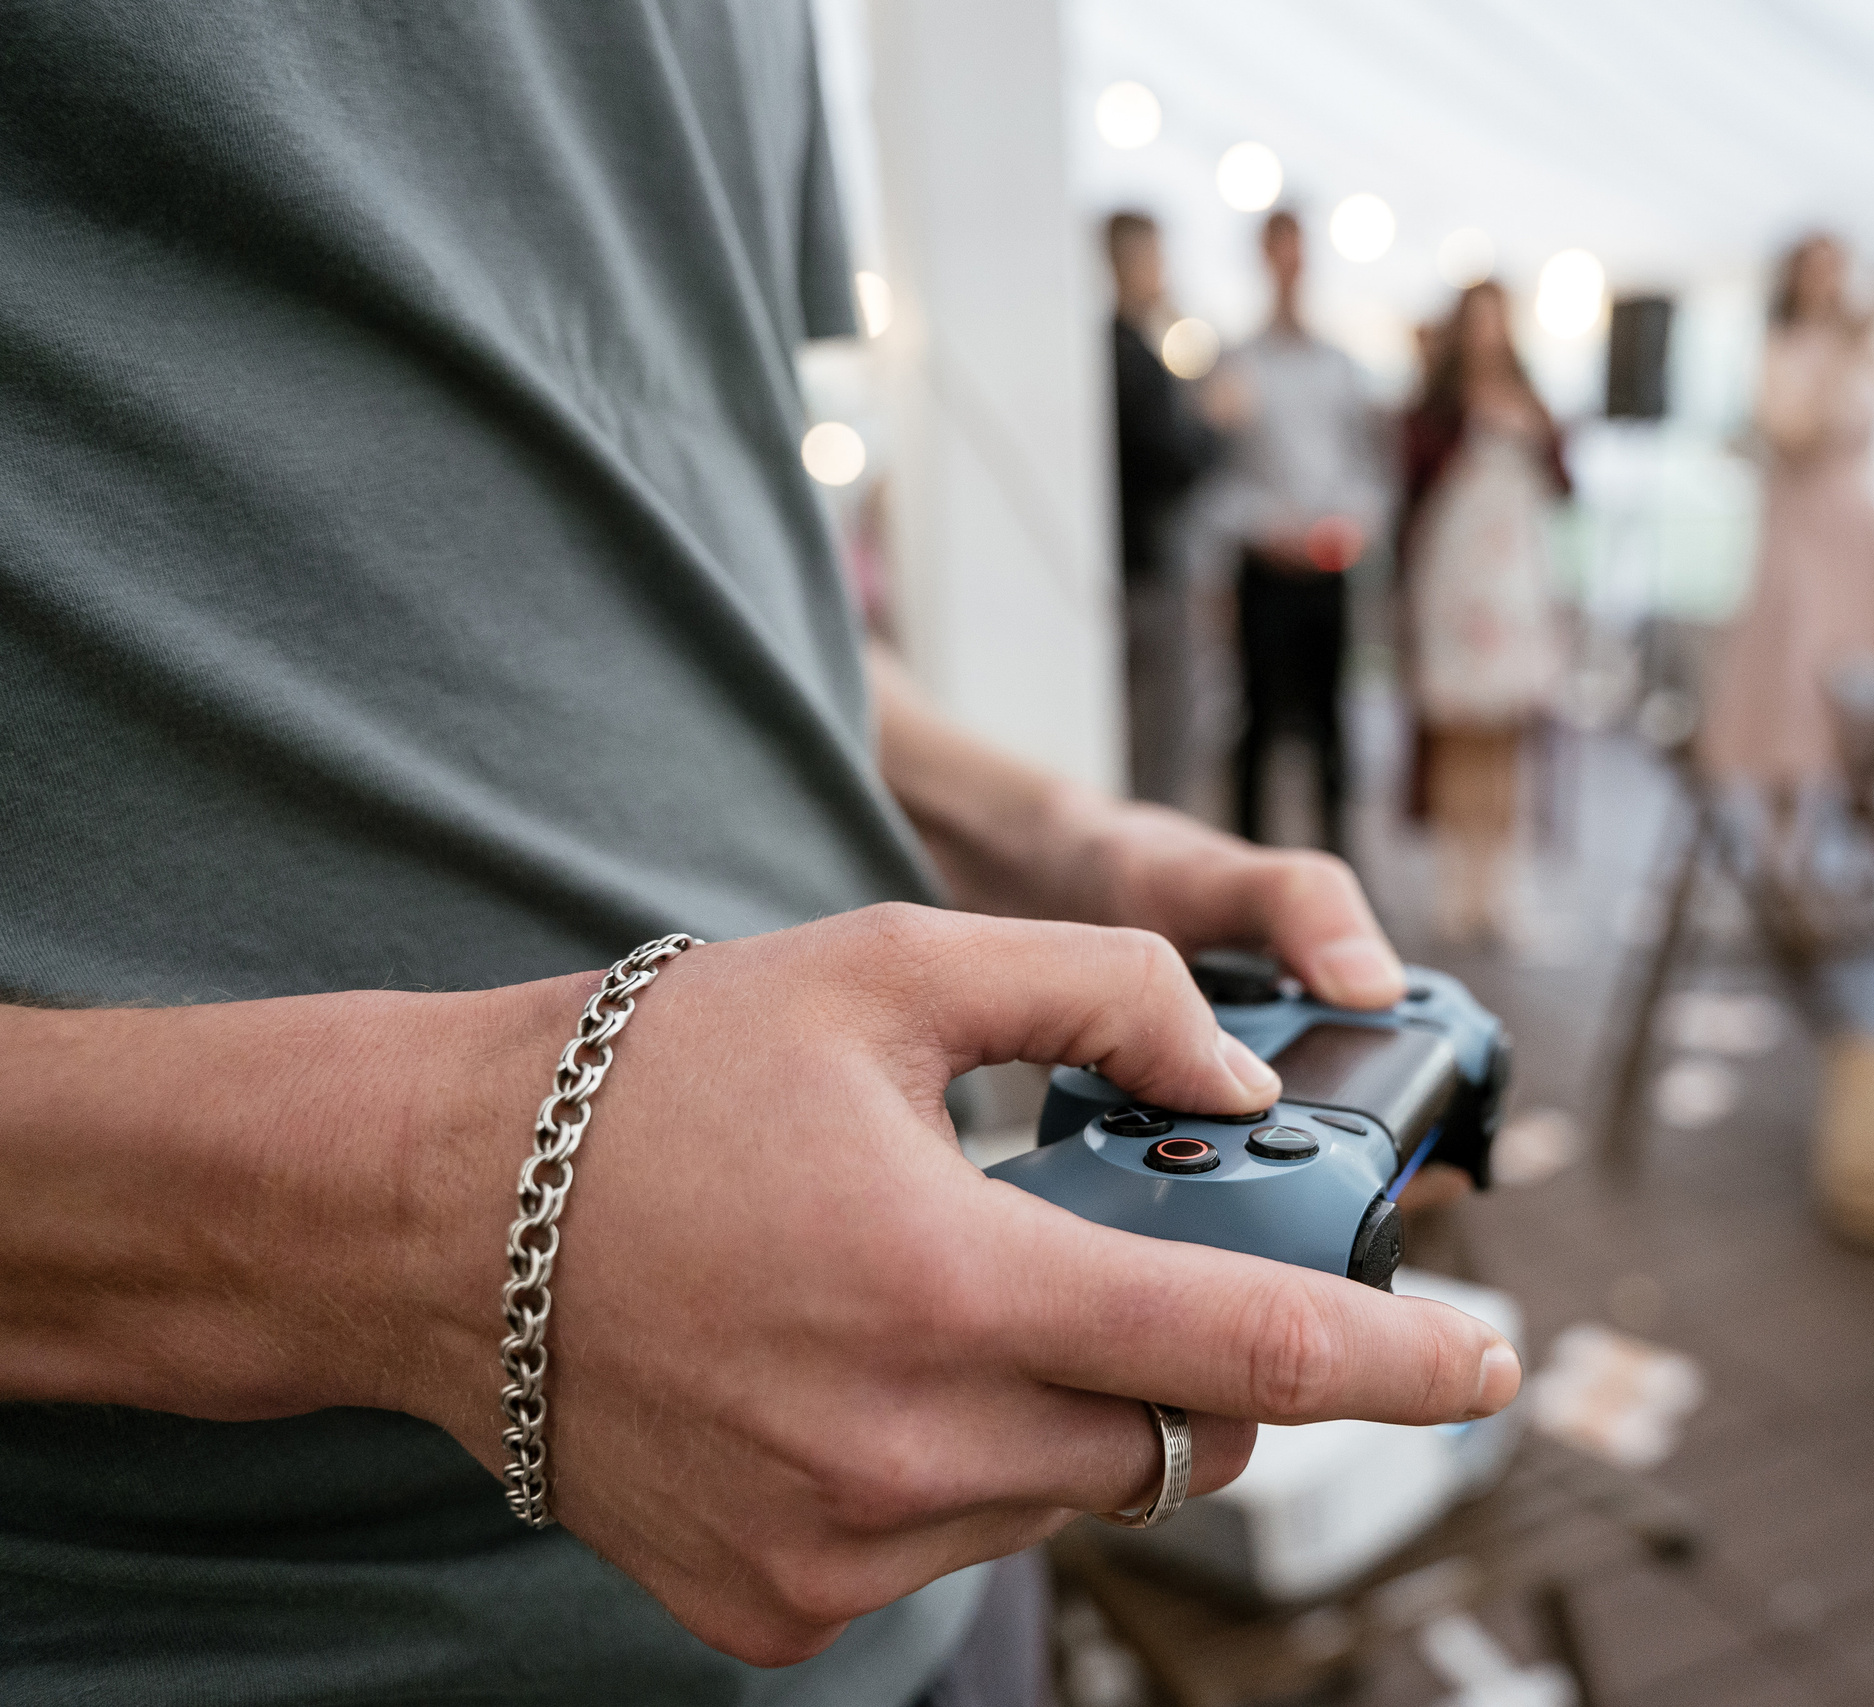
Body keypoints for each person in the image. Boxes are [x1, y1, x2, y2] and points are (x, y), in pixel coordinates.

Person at [0, 11, 1518, 1706]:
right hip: (263, 1641)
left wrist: (1055, 833)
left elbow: (687, 506)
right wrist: (454, 1213)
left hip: (932, 1566)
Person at [1705, 232, 1874, 887]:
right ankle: (1781, 843)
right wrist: (1841, 361)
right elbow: (1793, 433)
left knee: (1865, 674)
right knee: (1795, 673)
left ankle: (1865, 839)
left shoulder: (1865, 353)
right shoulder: (1783, 353)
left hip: (1857, 533)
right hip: (1803, 533)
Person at [1396, 281, 1570, 944]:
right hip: (1456, 582)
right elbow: (1411, 477)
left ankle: (1502, 885)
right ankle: (1455, 883)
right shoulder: (1438, 409)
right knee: (1457, 732)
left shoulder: (1529, 402)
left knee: (1507, 737)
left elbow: (1562, 482)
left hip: (1515, 582)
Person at [1214, 210, 1389, 856]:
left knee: (1331, 724)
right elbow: (1219, 477)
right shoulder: (1237, 362)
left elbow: (1366, 467)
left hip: (1328, 565)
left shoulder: (1338, 364)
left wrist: (1348, 523)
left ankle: (1338, 861)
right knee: (1257, 723)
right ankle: (1247, 861)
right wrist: (1265, 528)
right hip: (1265, 568)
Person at [1105, 212, 1222, 807]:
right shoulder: (1125, 354)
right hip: (1145, 569)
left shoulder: (1136, 348)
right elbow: (1169, 462)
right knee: (1161, 738)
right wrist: (1215, 426)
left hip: (1139, 564)